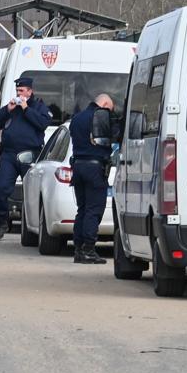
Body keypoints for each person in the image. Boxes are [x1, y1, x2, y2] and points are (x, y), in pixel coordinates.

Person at [0, 77, 51, 239]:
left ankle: (32, 226)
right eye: (17, 91)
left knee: (31, 192)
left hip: (30, 154)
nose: (19, 93)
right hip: (9, 154)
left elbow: (43, 123)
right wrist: (6, 110)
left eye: (22, 91)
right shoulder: (12, 107)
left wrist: (26, 109)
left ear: (30, 91)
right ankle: (1, 223)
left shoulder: (38, 107)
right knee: (1, 188)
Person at [67, 94, 118, 264]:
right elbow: (113, 136)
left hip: (78, 167)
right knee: (93, 210)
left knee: (82, 209)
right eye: (109, 110)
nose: (109, 114)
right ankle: (88, 249)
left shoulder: (77, 118)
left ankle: (78, 249)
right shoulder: (101, 116)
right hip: (95, 169)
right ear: (104, 104)